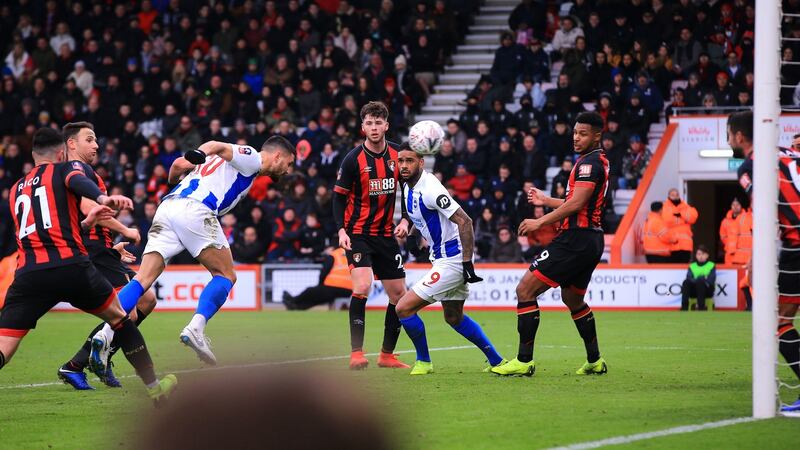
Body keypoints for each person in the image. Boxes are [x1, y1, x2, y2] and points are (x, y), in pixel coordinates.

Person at [0, 128, 176, 404]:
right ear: (62, 152)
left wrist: (88, 222)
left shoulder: (15, 190)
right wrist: (103, 199)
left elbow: (47, 229)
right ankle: (154, 387)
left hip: (29, 274)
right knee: (121, 320)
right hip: (71, 267)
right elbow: (77, 180)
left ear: (33, 154)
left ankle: (80, 363)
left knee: (5, 348)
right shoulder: (65, 170)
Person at [91, 137, 295, 368]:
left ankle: (105, 333)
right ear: (277, 155)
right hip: (196, 209)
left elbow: (177, 166)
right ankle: (196, 328)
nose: (288, 170)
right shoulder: (252, 158)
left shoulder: (230, 167)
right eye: (289, 163)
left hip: (167, 207)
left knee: (143, 279)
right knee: (226, 275)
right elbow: (217, 145)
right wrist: (200, 152)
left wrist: (179, 175)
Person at [492, 112, 609, 377]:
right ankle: (595, 360)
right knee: (573, 298)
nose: (576, 138)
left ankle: (524, 360)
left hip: (575, 239)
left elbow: (576, 204)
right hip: (590, 239)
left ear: (597, 136)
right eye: (575, 132)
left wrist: (539, 222)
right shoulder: (596, 161)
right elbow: (578, 202)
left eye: (583, 134)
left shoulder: (589, 164)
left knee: (525, 290)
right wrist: (546, 200)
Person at [57, 122, 158, 390]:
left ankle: (94, 359)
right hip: (93, 250)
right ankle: (77, 364)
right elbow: (90, 209)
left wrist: (112, 246)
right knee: (127, 312)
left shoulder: (83, 173)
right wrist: (126, 229)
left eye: (96, 139)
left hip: (101, 250)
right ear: (71, 144)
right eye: (89, 139)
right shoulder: (76, 172)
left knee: (146, 300)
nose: (96, 145)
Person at [394, 144, 505, 375]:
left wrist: (467, 262)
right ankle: (497, 361)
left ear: (421, 162)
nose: (404, 165)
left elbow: (465, 221)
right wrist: (413, 235)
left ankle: (424, 361)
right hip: (441, 258)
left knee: (403, 308)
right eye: (400, 160)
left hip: (453, 261)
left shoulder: (431, 189)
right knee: (454, 317)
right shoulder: (406, 186)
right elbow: (421, 214)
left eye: (409, 161)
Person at [729, 110, 800, 412]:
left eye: (729, 135)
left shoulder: (750, 166)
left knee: (779, 321)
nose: (729, 141)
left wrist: (756, 258)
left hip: (797, 244)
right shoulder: (789, 152)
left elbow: (765, 211)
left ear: (739, 136)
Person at [333, 101, 410, 370]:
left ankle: (387, 355)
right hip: (358, 234)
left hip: (386, 235)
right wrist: (341, 230)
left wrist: (406, 219)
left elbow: (411, 190)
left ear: (386, 125)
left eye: (378, 123)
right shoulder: (352, 159)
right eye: (369, 123)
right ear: (362, 127)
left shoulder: (399, 155)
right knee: (363, 286)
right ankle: (357, 353)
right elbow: (338, 198)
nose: (374, 128)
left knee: (399, 295)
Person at [282, 247, 353, 310]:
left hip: (334, 287)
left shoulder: (336, 254)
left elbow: (324, 272)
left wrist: (320, 285)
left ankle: (293, 300)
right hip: (350, 290)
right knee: (317, 297)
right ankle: (297, 307)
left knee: (310, 291)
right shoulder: (354, 253)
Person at [662, 188, 698, 263]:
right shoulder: (664, 208)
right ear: (668, 196)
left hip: (685, 245)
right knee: (672, 268)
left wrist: (681, 214)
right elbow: (666, 220)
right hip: (671, 245)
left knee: (684, 267)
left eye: (677, 195)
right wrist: (684, 219)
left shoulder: (686, 206)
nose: (675, 197)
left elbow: (693, 217)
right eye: (673, 195)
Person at [681, 245, 716, 311]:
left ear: (707, 255)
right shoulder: (692, 266)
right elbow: (689, 278)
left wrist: (698, 280)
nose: (701, 256)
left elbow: (711, 280)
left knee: (700, 283)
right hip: (694, 290)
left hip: (707, 290)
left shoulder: (711, 265)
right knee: (686, 282)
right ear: (696, 256)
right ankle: (684, 308)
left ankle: (701, 307)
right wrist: (702, 278)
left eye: (703, 254)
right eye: (699, 254)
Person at [719, 197, 752, 266]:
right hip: (730, 255)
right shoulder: (725, 221)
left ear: (741, 206)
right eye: (733, 205)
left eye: (737, 205)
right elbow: (723, 236)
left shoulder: (748, 218)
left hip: (744, 256)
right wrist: (730, 243)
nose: (735, 207)